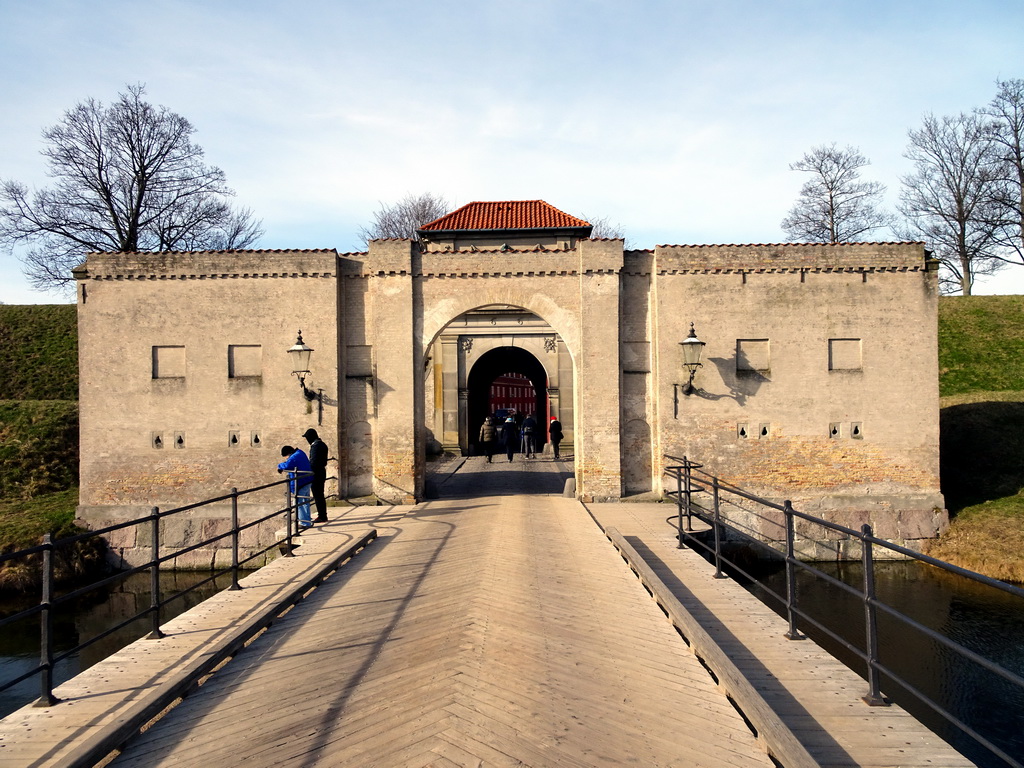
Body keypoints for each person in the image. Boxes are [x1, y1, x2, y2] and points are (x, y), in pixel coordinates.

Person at [277, 445, 312, 528]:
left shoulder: (294, 457)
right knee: (305, 502)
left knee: (299, 502)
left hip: (301, 482)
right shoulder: (300, 452)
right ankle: (307, 520)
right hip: (307, 480)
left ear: (288, 453)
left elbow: (287, 465)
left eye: (286, 456)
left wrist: (279, 466)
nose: (286, 458)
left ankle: (304, 523)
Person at [302, 428, 329, 523]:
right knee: (320, 494)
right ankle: (322, 515)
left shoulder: (316, 446)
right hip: (321, 471)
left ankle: (322, 516)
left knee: (317, 495)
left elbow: (313, 461)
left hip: (316, 473)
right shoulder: (322, 444)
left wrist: (308, 470)